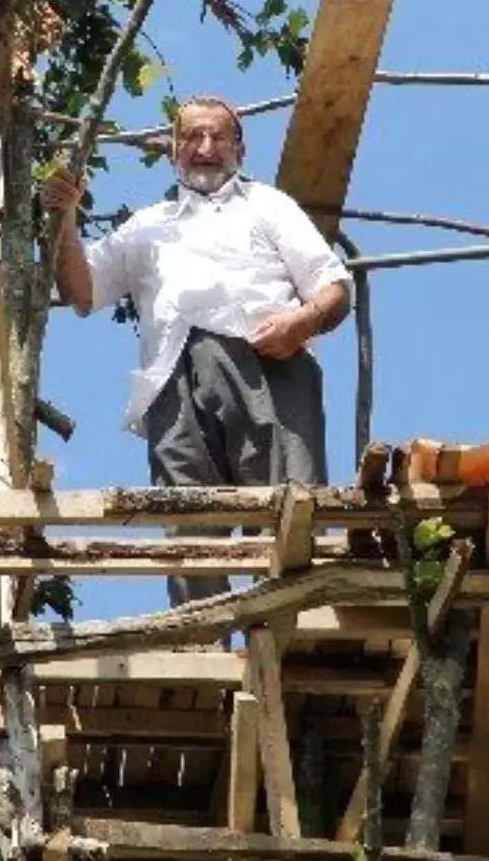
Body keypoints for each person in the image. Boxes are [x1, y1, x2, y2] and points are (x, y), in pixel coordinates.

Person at [42, 95, 352, 596]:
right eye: (191, 137)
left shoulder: (267, 205)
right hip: (173, 379)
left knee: (289, 509)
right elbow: (81, 291)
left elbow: (335, 289)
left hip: (265, 366)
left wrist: (301, 322)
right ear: (173, 150)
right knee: (190, 527)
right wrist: (64, 219)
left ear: (239, 150)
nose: (204, 148)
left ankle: (294, 635)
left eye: (218, 137)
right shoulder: (148, 225)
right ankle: (201, 648)